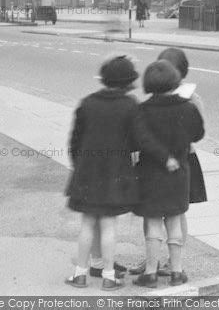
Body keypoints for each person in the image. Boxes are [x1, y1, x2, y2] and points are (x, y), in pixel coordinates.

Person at [129, 47, 207, 277]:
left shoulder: (190, 99)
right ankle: (168, 265)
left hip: (173, 161)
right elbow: (198, 132)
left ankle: (164, 264)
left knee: (171, 213)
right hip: (179, 163)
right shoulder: (186, 104)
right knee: (170, 212)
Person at [65, 55, 139, 291]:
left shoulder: (86, 103)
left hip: (87, 174)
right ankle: (109, 276)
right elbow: (136, 142)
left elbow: (74, 142)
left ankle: (80, 274)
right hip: (114, 175)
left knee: (87, 224)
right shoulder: (131, 105)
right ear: (128, 81)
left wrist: (79, 167)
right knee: (108, 224)